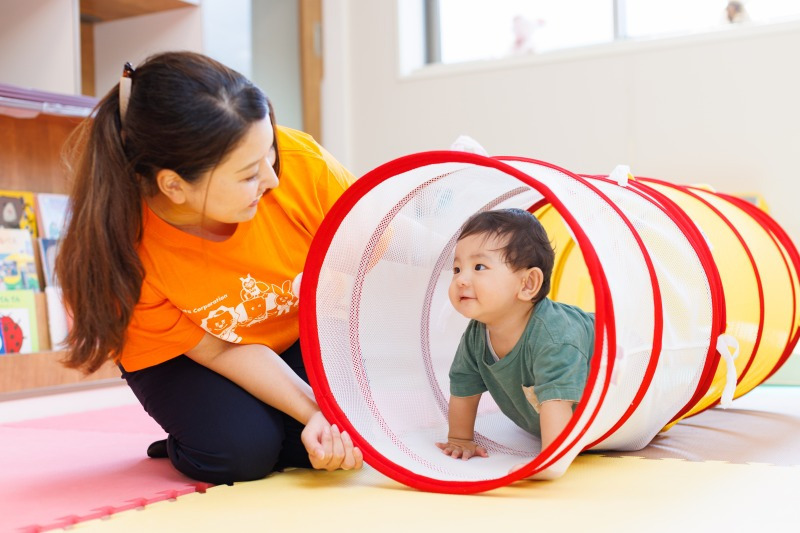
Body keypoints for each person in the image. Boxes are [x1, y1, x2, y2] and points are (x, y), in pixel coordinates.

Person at [55, 51, 363, 484]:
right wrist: (312, 409)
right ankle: (195, 434)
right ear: (174, 186)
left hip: (284, 331)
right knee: (240, 454)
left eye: (270, 154)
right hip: (189, 352)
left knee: (337, 436)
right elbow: (218, 349)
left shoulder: (298, 165)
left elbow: (384, 238)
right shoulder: (126, 250)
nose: (272, 179)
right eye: (248, 175)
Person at [435, 208, 595, 462]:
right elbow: (463, 386)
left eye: (479, 266)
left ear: (528, 284)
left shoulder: (554, 336)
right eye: (456, 269)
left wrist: (550, 460)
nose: (461, 280)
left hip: (625, 363)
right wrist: (460, 439)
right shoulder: (477, 334)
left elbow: (557, 402)